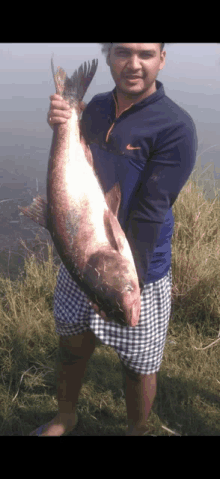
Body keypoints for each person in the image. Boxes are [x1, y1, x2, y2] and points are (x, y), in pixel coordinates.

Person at [29, 43, 198, 436]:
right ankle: (65, 417)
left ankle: (137, 430)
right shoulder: (96, 108)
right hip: (78, 254)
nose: (134, 64)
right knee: (70, 344)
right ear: (108, 56)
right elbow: (74, 168)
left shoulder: (176, 127)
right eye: (123, 52)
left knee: (138, 366)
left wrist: (118, 288)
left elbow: (150, 212)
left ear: (162, 58)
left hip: (137, 269)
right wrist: (64, 119)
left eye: (146, 54)